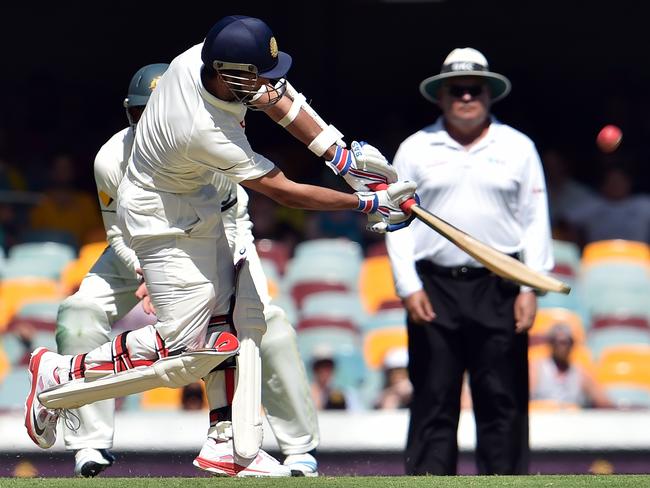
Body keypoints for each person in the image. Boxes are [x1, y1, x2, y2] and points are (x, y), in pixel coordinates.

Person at [26, 15, 416, 478]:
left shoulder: (201, 57)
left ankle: (227, 441)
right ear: (229, 72)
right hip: (162, 226)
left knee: (242, 321)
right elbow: (284, 190)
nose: (265, 84)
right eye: (255, 75)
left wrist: (344, 158)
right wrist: (365, 200)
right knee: (187, 355)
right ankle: (57, 375)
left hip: (206, 213)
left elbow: (280, 99)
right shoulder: (201, 128)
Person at [54, 62, 322, 478]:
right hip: (138, 249)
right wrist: (147, 276)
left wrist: (202, 286)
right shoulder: (111, 158)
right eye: (140, 114)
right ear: (130, 114)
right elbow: (118, 234)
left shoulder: (209, 143)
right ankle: (90, 442)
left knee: (267, 323)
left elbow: (234, 223)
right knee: (77, 313)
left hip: (213, 242)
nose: (148, 124)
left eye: (156, 111)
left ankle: (299, 449)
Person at [386, 47, 554, 475]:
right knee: (433, 396)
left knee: (503, 397)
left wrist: (530, 286)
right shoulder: (414, 148)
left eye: (473, 89)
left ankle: (507, 483)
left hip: (500, 285)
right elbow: (395, 219)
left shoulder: (519, 147)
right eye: (456, 90)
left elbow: (536, 221)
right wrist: (408, 286)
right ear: (440, 97)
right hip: (434, 286)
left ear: (489, 94)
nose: (465, 98)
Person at [29, 153, 104, 247]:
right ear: (51, 172)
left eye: (66, 168)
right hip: (47, 255)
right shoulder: (39, 201)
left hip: (80, 257)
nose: (62, 172)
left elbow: (97, 235)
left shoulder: (86, 202)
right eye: (58, 168)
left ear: (73, 171)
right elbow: (32, 236)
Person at [564, 164, 650, 246]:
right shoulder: (591, 205)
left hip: (638, 257)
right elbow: (564, 222)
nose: (616, 185)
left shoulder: (644, 204)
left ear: (629, 183)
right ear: (603, 185)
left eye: (620, 180)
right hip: (598, 257)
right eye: (612, 181)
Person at [530, 324, 612, 408]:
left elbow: (604, 402)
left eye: (568, 342)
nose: (563, 347)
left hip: (572, 419)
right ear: (551, 343)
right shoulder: (536, 369)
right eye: (560, 342)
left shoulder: (580, 373)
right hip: (542, 417)